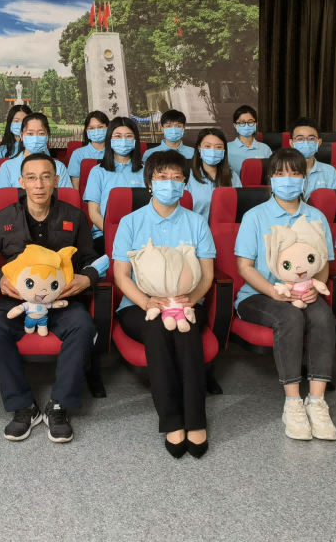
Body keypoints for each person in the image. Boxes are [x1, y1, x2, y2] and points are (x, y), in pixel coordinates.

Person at [0, 152, 103, 444]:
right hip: (17, 301)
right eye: (31, 178)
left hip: (63, 300)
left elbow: (90, 259)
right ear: (21, 182)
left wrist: (87, 278)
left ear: (56, 180)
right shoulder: (3, 218)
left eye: (45, 177)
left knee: (83, 326)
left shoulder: (75, 216)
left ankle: (59, 406)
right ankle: (24, 407)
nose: (39, 185)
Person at [112, 150, 215, 459]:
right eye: (162, 177)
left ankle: (195, 419)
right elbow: (121, 275)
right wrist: (148, 302)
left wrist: (191, 300)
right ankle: (171, 420)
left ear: (184, 184)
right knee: (157, 330)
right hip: (138, 305)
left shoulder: (197, 223)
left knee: (187, 332)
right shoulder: (130, 222)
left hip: (187, 302)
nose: (169, 183)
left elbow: (207, 274)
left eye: (176, 177)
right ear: (149, 183)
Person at [234, 148, 336, 442]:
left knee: (323, 316)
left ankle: (316, 401)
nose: (288, 179)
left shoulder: (316, 217)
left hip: (304, 293)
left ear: (304, 178)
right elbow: (244, 266)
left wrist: (314, 288)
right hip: (259, 295)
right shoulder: (255, 216)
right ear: (271, 178)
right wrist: (274, 292)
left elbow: (323, 264)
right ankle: (292, 402)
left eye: (295, 173)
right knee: (290, 316)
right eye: (280, 173)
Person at [82, 117, 145, 255]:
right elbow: (94, 213)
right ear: (110, 139)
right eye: (118, 136)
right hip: (104, 234)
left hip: (141, 236)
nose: (123, 140)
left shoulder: (146, 172)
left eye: (128, 136)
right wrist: (115, 233)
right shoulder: (97, 172)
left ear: (135, 140)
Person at [0, 113, 71, 191]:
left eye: (41, 134)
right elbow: (2, 197)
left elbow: (66, 196)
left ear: (47, 136)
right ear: (21, 135)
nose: (35, 138)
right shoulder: (7, 167)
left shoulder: (59, 168)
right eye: (30, 134)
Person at [185, 128, 241, 221]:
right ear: (199, 148)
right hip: (195, 227)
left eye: (218, 147)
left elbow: (239, 206)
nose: (213, 151)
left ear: (224, 150)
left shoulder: (233, 176)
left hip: (225, 228)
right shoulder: (187, 176)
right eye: (207, 146)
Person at [291, 117, 336, 200]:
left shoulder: (330, 171)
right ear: (291, 143)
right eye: (300, 138)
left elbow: (335, 202)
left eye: (311, 138)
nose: (306, 143)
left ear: (319, 142)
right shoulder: (283, 171)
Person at [0, 104, 34, 178]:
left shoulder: (40, 148)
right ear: (10, 123)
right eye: (16, 121)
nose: (20, 124)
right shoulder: (1, 150)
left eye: (24, 121)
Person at [68, 110, 109, 190]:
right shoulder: (78, 154)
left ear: (108, 128)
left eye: (100, 127)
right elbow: (76, 184)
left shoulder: (115, 152)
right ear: (86, 131)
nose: (96, 131)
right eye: (92, 128)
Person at [226, 105, 272, 175]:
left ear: (256, 124)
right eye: (242, 122)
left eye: (250, 122)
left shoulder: (265, 149)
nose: (246, 126)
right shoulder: (227, 148)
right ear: (235, 125)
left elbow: (271, 173)